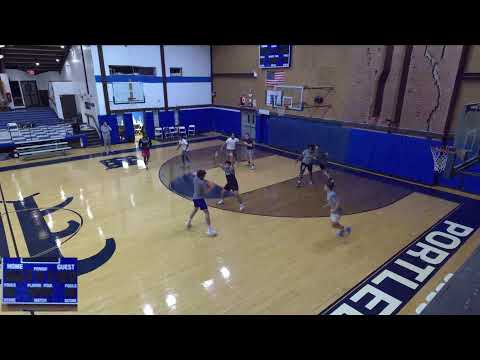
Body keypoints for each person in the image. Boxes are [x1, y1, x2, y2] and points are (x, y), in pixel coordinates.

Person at [186, 169, 217, 237]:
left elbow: (202, 180)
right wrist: (211, 187)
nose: (204, 176)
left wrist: (207, 183)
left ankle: (188, 222)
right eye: (204, 175)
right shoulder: (201, 183)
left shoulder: (195, 178)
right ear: (201, 175)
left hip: (194, 198)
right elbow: (205, 193)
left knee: (195, 209)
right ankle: (209, 230)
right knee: (207, 212)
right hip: (200, 199)